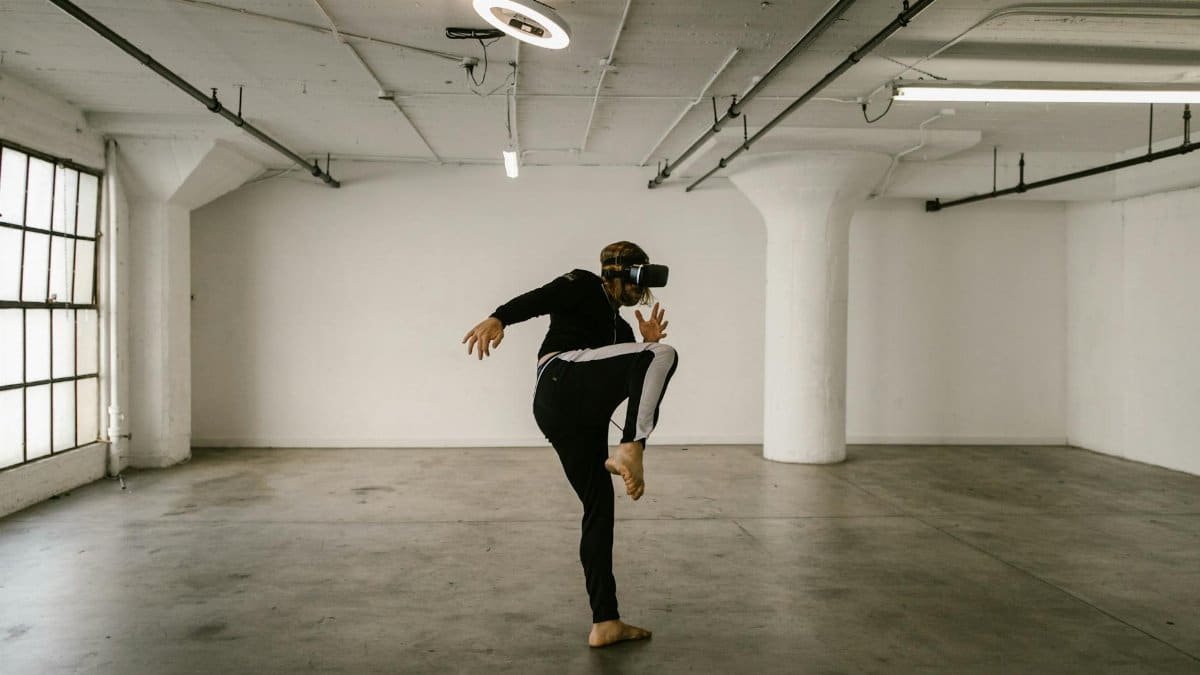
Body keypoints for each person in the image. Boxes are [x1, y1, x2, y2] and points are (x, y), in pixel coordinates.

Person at [461, 241, 679, 648]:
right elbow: (541, 298)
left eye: (644, 282)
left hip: (576, 418)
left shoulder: (621, 328)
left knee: (599, 508)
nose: (639, 289)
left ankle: (605, 621)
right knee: (663, 355)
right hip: (561, 381)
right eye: (635, 278)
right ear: (615, 273)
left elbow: (635, 375)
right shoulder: (583, 283)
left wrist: (641, 341)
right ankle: (632, 446)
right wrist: (499, 318)